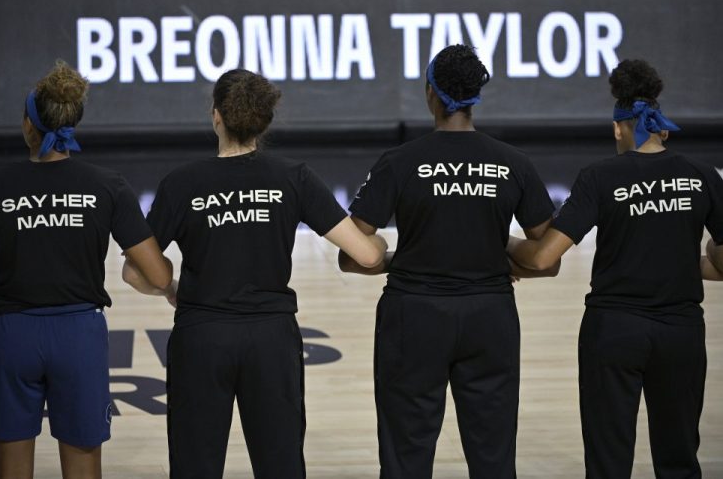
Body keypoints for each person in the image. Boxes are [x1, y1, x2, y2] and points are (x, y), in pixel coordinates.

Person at [122, 68, 388, 479]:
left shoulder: (181, 184)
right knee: (280, 466)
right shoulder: (293, 178)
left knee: (195, 466)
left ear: (216, 117)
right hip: (271, 340)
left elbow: (136, 274)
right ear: (264, 122)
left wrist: (169, 287)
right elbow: (367, 256)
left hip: (201, 337)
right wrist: (382, 245)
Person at [339, 44, 557, 479]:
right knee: (493, 456)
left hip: (414, 317)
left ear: (430, 94)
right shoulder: (513, 162)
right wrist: (502, 248)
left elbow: (353, 253)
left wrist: (395, 258)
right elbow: (545, 257)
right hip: (489, 316)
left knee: (406, 455)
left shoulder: (398, 162)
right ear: (475, 97)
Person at [507, 59, 723, 478]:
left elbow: (542, 257)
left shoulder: (599, 177)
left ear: (618, 127)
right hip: (680, 332)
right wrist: (681, 255)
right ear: (661, 126)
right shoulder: (701, 176)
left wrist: (499, 241)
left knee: (608, 462)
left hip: (613, 333)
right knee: (680, 459)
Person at [0, 61, 172, 479]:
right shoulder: (107, 185)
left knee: (10, 471)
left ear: (28, 124)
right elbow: (156, 275)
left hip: (11, 334)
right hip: (79, 335)